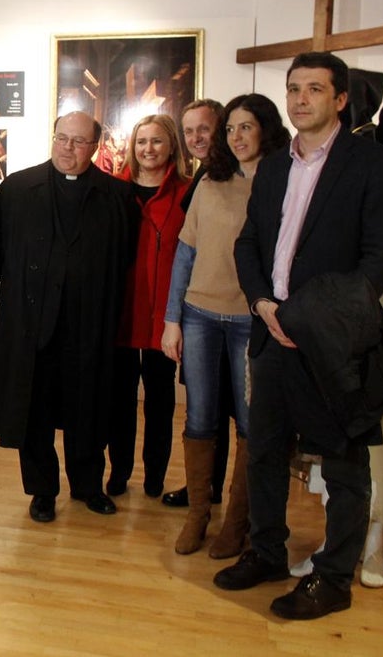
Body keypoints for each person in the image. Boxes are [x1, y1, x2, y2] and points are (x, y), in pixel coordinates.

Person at [217, 51, 383, 620]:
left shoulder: (371, 163)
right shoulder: (274, 167)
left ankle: (334, 578)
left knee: (345, 463)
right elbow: (249, 244)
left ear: (340, 99)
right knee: (265, 453)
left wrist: (316, 318)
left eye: (314, 90)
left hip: (332, 341)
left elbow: (376, 261)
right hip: (272, 333)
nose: (300, 99)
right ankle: (267, 551)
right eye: (294, 89)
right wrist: (264, 305)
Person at [161, 94, 289, 556]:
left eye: (246, 128)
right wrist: (171, 319)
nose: (236, 137)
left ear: (266, 130)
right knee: (199, 418)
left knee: (252, 425)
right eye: (230, 129)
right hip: (198, 315)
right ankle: (199, 515)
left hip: (249, 321)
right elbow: (184, 254)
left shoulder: (283, 185)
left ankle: (238, 523)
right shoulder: (209, 181)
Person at [0, 111, 135, 523]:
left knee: (88, 404)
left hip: (89, 324)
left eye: (78, 142)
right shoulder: (18, 189)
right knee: (33, 407)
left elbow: (124, 261)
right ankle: (42, 491)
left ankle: (88, 485)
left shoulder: (115, 197)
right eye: (61, 139)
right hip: (32, 324)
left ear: (95, 147)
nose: (67, 149)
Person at [107, 115, 189, 499]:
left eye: (157, 141)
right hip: (122, 313)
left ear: (171, 145)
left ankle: (155, 477)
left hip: (164, 317)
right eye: (142, 141)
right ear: (132, 146)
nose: (149, 149)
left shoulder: (187, 192)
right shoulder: (113, 191)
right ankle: (119, 472)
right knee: (119, 401)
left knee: (160, 404)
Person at [163, 99, 231, 508]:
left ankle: (219, 495)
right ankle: (206, 490)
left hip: (232, 311)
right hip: (200, 309)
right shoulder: (204, 177)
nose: (195, 139)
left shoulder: (233, 176)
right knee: (207, 410)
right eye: (188, 132)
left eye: (203, 129)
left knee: (225, 410)